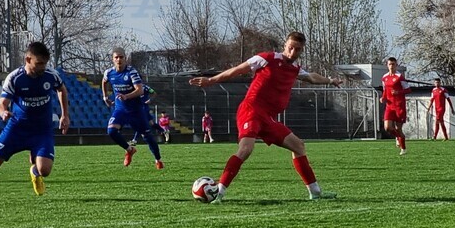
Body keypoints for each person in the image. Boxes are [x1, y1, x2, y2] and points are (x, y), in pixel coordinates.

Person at [189, 31, 342, 202]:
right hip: (251, 110)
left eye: (297, 50)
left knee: (298, 146)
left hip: (268, 118)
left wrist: (330, 81)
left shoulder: (294, 69)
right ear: (285, 45)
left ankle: (315, 193)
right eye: (291, 48)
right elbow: (237, 70)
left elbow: (312, 78)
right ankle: (219, 193)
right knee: (246, 149)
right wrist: (211, 81)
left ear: (301, 50)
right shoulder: (266, 58)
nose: (293, 53)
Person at [0, 42, 70, 200]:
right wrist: (3, 112)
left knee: (45, 170)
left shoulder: (50, 75)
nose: (43, 67)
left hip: (41, 130)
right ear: (28, 59)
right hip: (17, 129)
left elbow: (61, 89)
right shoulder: (15, 78)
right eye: (39, 63)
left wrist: (65, 115)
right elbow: (1, 104)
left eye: (45, 63)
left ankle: (35, 171)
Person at [102, 48, 163, 169]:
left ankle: (158, 160)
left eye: (121, 57)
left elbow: (139, 90)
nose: (119, 59)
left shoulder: (132, 72)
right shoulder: (109, 72)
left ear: (125, 58)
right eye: (116, 57)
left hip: (136, 111)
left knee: (148, 137)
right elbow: (104, 81)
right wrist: (105, 97)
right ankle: (129, 150)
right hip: (120, 110)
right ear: (113, 59)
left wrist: (126, 96)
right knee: (111, 131)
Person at [381, 57, 411, 155]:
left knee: (398, 128)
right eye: (390, 64)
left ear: (396, 65)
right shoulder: (384, 77)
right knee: (387, 127)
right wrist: (383, 97)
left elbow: (408, 89)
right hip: (389, 106)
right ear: (387, 65)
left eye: (393, 64)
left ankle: (403, 149)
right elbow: (385, 90)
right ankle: (398, 137)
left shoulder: (399, 77)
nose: (391, 66)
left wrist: (398, 92)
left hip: (399, 105)